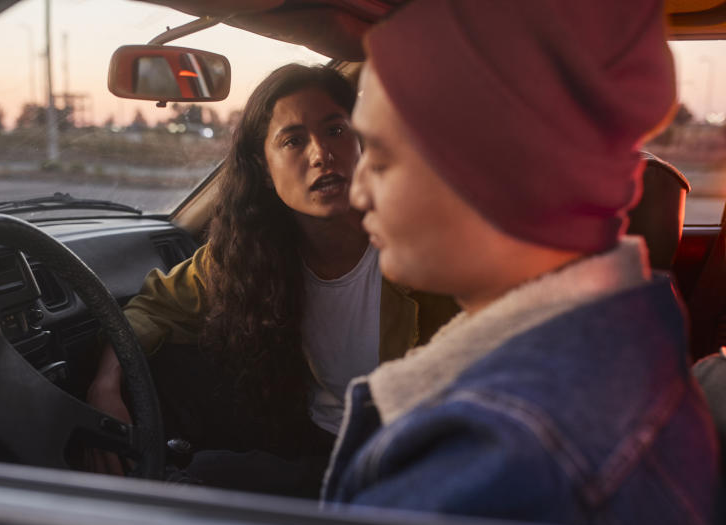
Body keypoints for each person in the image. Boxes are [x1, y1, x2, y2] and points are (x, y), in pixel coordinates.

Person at [322, 0, 723, 525]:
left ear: (490, 172)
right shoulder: (630, 340)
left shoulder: (489, 463)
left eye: (380, 158)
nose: (356, 191)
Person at [88, 64, 458, 496]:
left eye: (336, 130)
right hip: (312, 443)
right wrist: (104, 384)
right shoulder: (249, 256)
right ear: (264, 168)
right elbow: (154, 308)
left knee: (204, 478)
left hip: (407, 459)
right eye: (293, 140)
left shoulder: (425, 247)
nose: (321, 154)